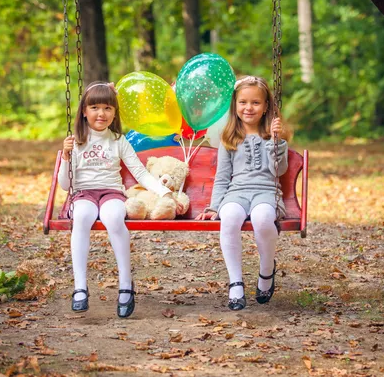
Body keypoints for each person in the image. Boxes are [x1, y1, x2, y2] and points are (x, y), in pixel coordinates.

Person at [58, 81, 183, 318]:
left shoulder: (118, 140)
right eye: (94, 107)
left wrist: (165, 192)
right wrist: (66, 156)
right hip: (83, 193)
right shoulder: (76, 141)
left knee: (114, 217)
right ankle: (80, 287)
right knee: (82, 216)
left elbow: (141, 173)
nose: (101, 114)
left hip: (111, 193)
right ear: (84, 111)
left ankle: (126, 285)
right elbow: (66, 184)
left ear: (114, 112)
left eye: (107, 108)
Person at [196, 76, 288, 311]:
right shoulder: (229, 139)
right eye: (243, 102)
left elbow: (279, 170)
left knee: (263, 219)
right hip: (236, 193)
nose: (249, 108)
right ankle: (236, 282)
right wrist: (215, 206)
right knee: (229, 218)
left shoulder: (273, 137)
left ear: (266, 107)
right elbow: (222, 177)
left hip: (266, 192)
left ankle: (266, 271)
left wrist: (276, 143)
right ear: (235, 106)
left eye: (256, 103)